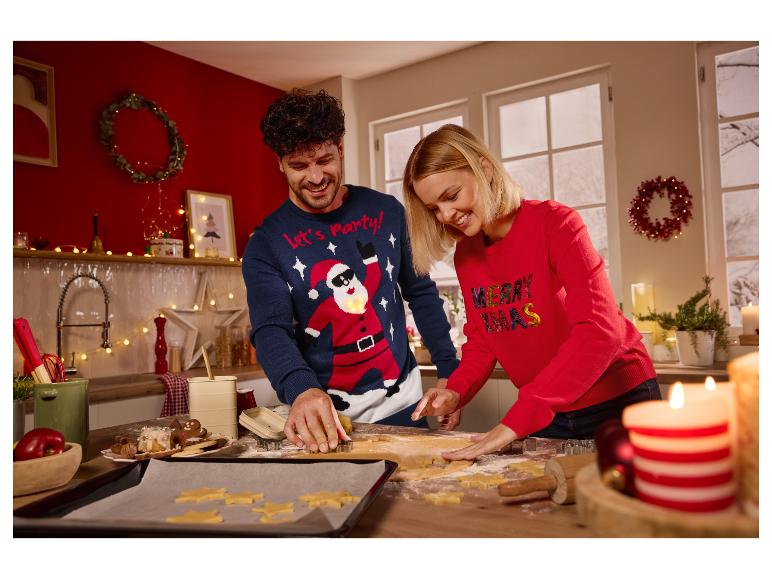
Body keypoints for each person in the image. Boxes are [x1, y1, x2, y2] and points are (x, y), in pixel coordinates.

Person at [403, 124, 659, 460]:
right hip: (546, 414)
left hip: (617, 402)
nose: (446, 215)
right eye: (434, 208)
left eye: (451, 196)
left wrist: (521, 416)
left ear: (485, 168)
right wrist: (455, 391)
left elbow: (600, 330)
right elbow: (482, 339)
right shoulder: (466, 256)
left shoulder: (556, 224)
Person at [242, 89, 460, 453]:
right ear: (280, 163)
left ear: (340, 149)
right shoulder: (266, 243)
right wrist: (301, 388)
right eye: (298, 165)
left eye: (324, 160)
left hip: (404, 405)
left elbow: (420, 293)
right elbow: (270, 331)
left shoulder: (387, 211)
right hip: (326, 417)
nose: (314, 177)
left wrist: (451, 369)